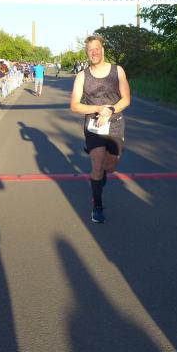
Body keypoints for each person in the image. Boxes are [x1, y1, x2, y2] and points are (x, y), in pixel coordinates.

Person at [70, 34, 131, 223]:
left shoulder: (117, 71)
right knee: (96, 165)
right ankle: (97, 206)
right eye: (90, 50)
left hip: (115, 124)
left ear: (103, 50)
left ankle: (102, 172)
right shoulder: (82, 76)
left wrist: (110, 110)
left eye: (97, 49)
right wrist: (98, 109)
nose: (94, 52)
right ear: (87, 53)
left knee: (110, 167)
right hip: (94, 126)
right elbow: (74, 105)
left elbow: (126, 99)